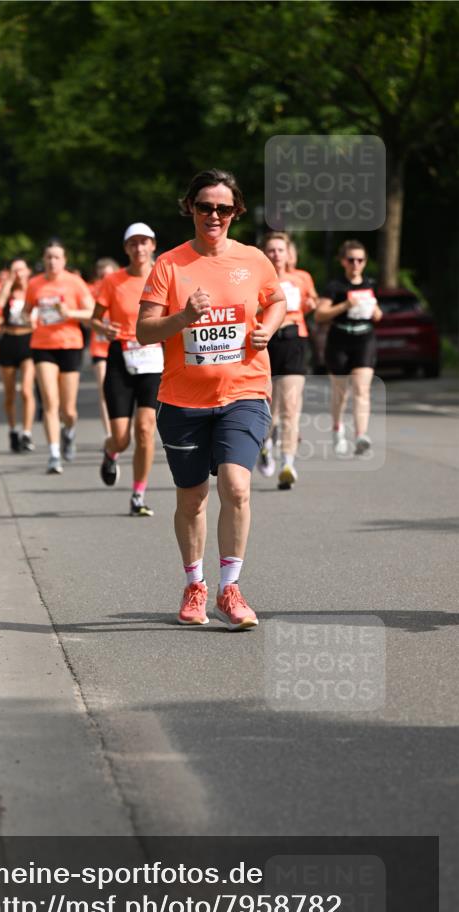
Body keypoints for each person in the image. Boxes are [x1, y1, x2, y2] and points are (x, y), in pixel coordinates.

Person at [137, 168, 286, 630]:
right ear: (191, 209)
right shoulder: (169, 265)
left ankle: (230, 588)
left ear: (236, 212)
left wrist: (269, 327)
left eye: (223, 208)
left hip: (244, 390)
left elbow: (276, 300)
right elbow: (144, 330)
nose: (214, 215)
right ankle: (194, 584)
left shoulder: (254, 259)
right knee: (193, 499)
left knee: (236, 486)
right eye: (205, 207)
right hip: (183, 400)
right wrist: (183, 316)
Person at [91, 224, 162, 517]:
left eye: (143, 242)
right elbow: (95, 319)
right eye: (133, 243)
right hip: (121, 356)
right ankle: (110, 452)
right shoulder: (113, 281)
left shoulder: (164, 278)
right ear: (126, 249)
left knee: (145, 429)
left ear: (153, 245)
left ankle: (138, 494)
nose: (139, 248)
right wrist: (103, 328)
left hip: (153, 358)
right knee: (122, 437)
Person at [23, 240, 94, 474]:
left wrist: (69, 313)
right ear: (43, 260)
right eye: (48, 257)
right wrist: (29, 318)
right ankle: (54, 454)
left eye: (56, 257)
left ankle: (69, 431)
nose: (52, 261)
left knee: (68, 410)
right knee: (50, 403)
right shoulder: (34, 284)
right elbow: (26, 312)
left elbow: (93, 313)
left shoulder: (74, 283)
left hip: (70, 345)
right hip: (43, 345)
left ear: (64, 261)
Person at [258, 232, 317, 489]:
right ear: (264, 254)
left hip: (295, 340)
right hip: (267, 341)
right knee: (270, 407)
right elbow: (250, 310)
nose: (276, 255)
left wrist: (310, 304)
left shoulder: (301, 278)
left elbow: (310, 303)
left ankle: (288, 464)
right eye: (271, 250)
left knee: (291, 406)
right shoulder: (258, 280)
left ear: (288, 253)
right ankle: (265, 445)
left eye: (280, 250)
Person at [314, 240, 383, 456]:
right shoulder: (335, 286)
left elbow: (378, 313)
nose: (355, 264)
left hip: (365, 338)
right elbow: (319, 314)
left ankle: (361, 435)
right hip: (339, 339)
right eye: (351, 259)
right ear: (343, 261)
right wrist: (344, 305)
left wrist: (376, 313)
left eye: (360, 260)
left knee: (362, 389)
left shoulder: (370, 283)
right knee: (341, 393)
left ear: (365, 262)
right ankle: (337, 429)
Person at [0, 258, 35, 453]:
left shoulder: (34, 288)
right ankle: (13, 430)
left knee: (27, 391)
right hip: (8, 342)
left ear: (28, 271)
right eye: (14, 270)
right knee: (9, 393)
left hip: (28, 340)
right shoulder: (8, 290)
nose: (18, 273)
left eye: (21, 270)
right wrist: (9, 283)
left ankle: (27, 433)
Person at [88, 258, 119, 436]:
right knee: (104, 391)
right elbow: (87, 315)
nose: (105, 280)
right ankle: (109, 433)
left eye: (108, 276)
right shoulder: (93, 292)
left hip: (123, 348)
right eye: (101, 277)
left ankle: (124, 427)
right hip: (100, 348)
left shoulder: (123, 289)